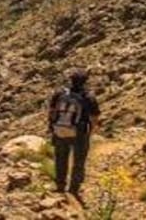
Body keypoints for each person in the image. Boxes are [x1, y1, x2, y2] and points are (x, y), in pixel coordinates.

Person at [48, 68, 100, 198]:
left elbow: (52, 111)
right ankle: (74, 190)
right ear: (85, 81)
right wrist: (90, 131)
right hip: (80, 133)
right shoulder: (88, 96)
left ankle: (60, 186)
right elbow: (94, 117)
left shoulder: (59, 93)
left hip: (60, 130)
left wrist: (52, 126)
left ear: (71, 80)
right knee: (78, 161)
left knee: (60, 159)